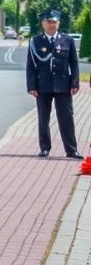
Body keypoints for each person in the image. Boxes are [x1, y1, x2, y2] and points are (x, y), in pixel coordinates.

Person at [27, 9, 81, 158]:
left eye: (54, 22)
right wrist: (31, 86)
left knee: (67, 118)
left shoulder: (67, 40)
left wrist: (74, 83)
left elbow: (74, 64)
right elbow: (31, 65)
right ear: (43, 24)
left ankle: (71, 150)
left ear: (59, 23)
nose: (52, 25)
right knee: (43, 118)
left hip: (63, 85)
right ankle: (45, 148)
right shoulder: (35, 41)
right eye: (49, 22)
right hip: (42, 85)